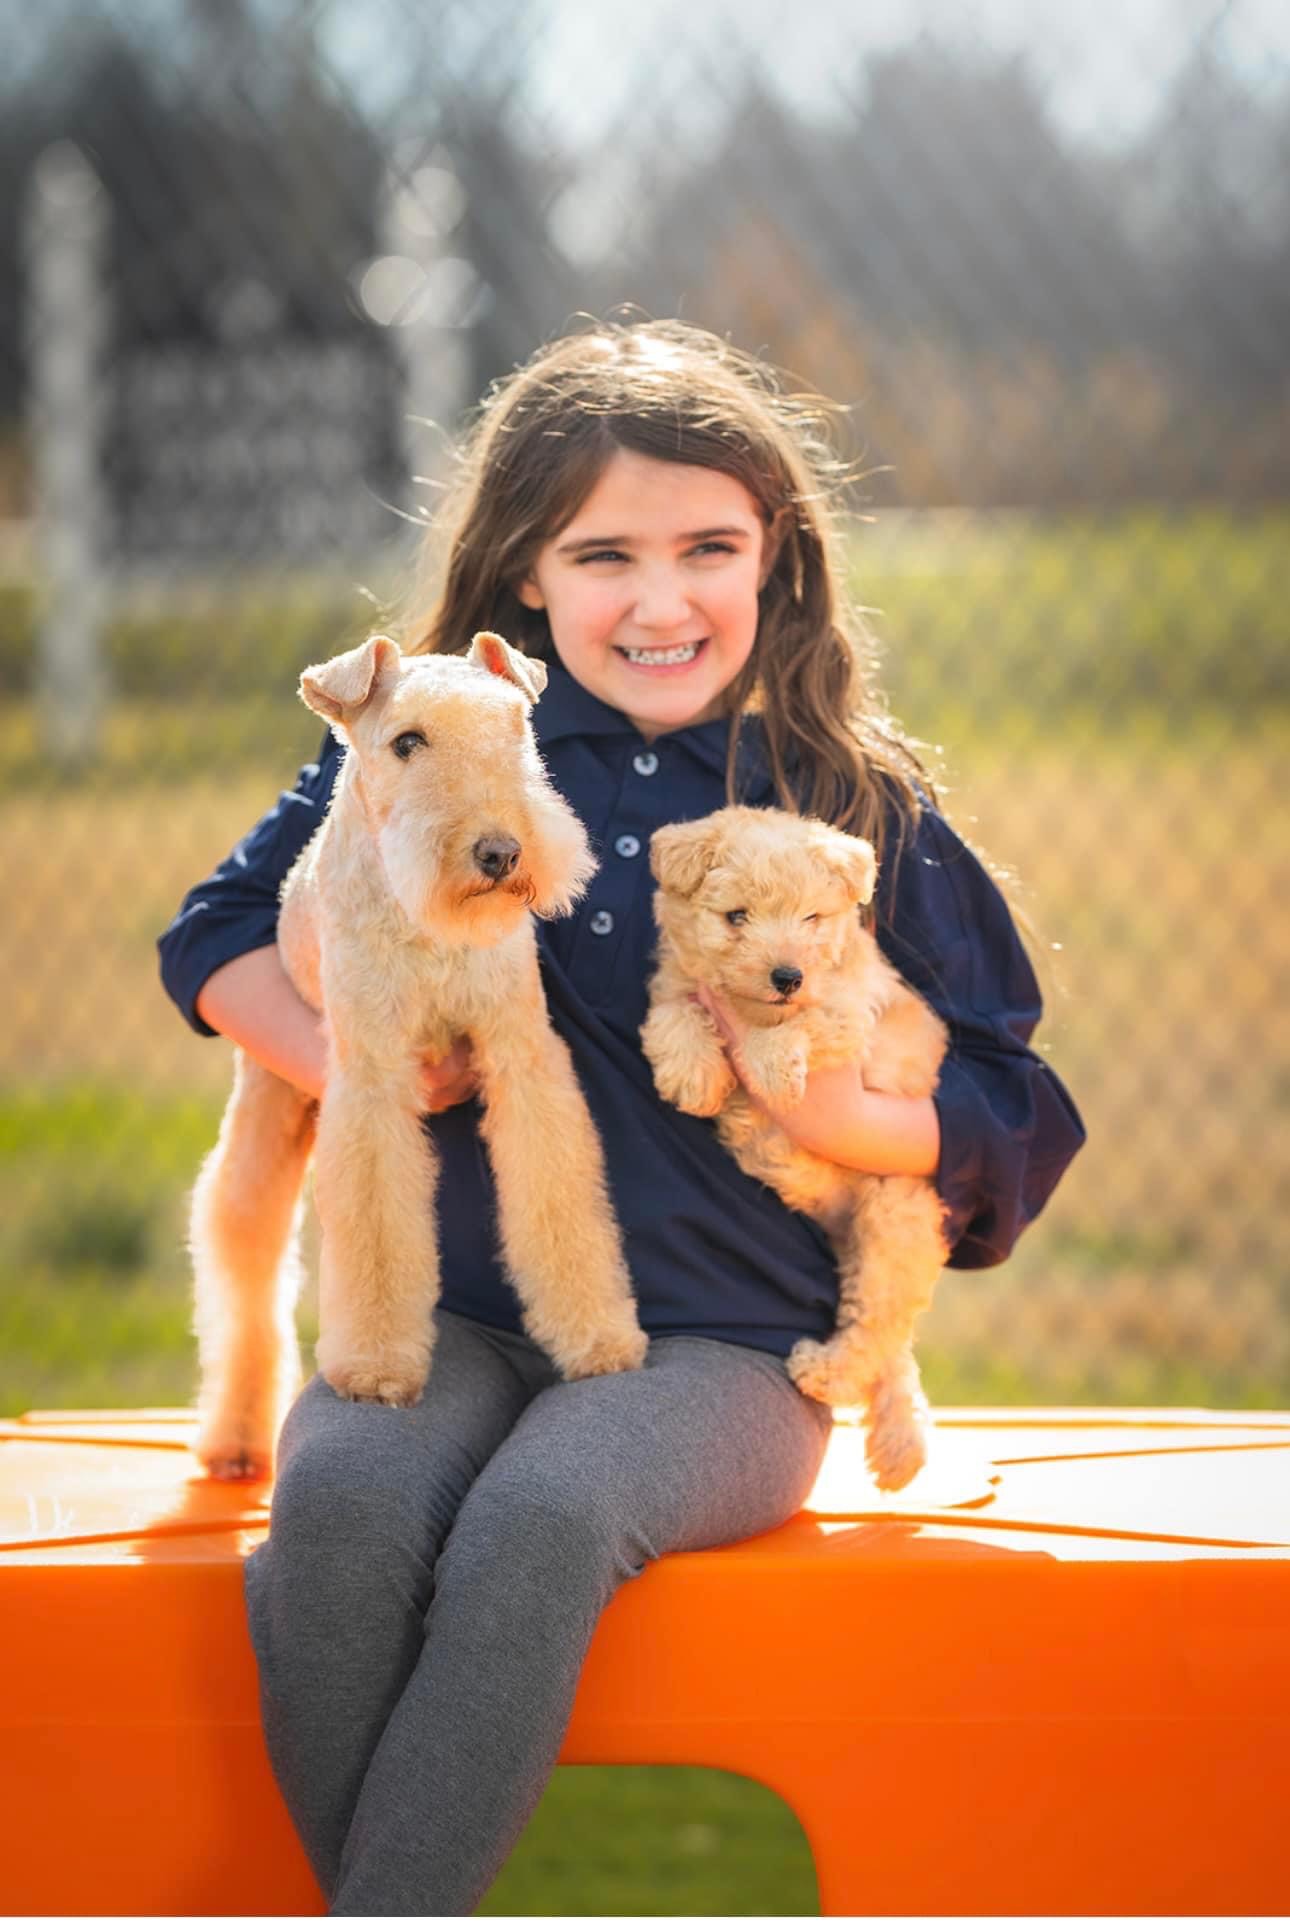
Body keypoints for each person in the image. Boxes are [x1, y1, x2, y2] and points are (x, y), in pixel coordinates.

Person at [158, 317, 1085, 1915]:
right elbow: (217, 935)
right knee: (342, 1508)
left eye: (706, 547)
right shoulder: (443, 739)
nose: (661, 602)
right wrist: (344, 1051)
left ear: (773, 552)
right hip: (451, 1313)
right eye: (604, 556)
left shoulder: (847, 793)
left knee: (541, 1516)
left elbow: (1014, 1096)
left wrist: (847, 1115)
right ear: (526, 574)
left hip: (729, 1347)